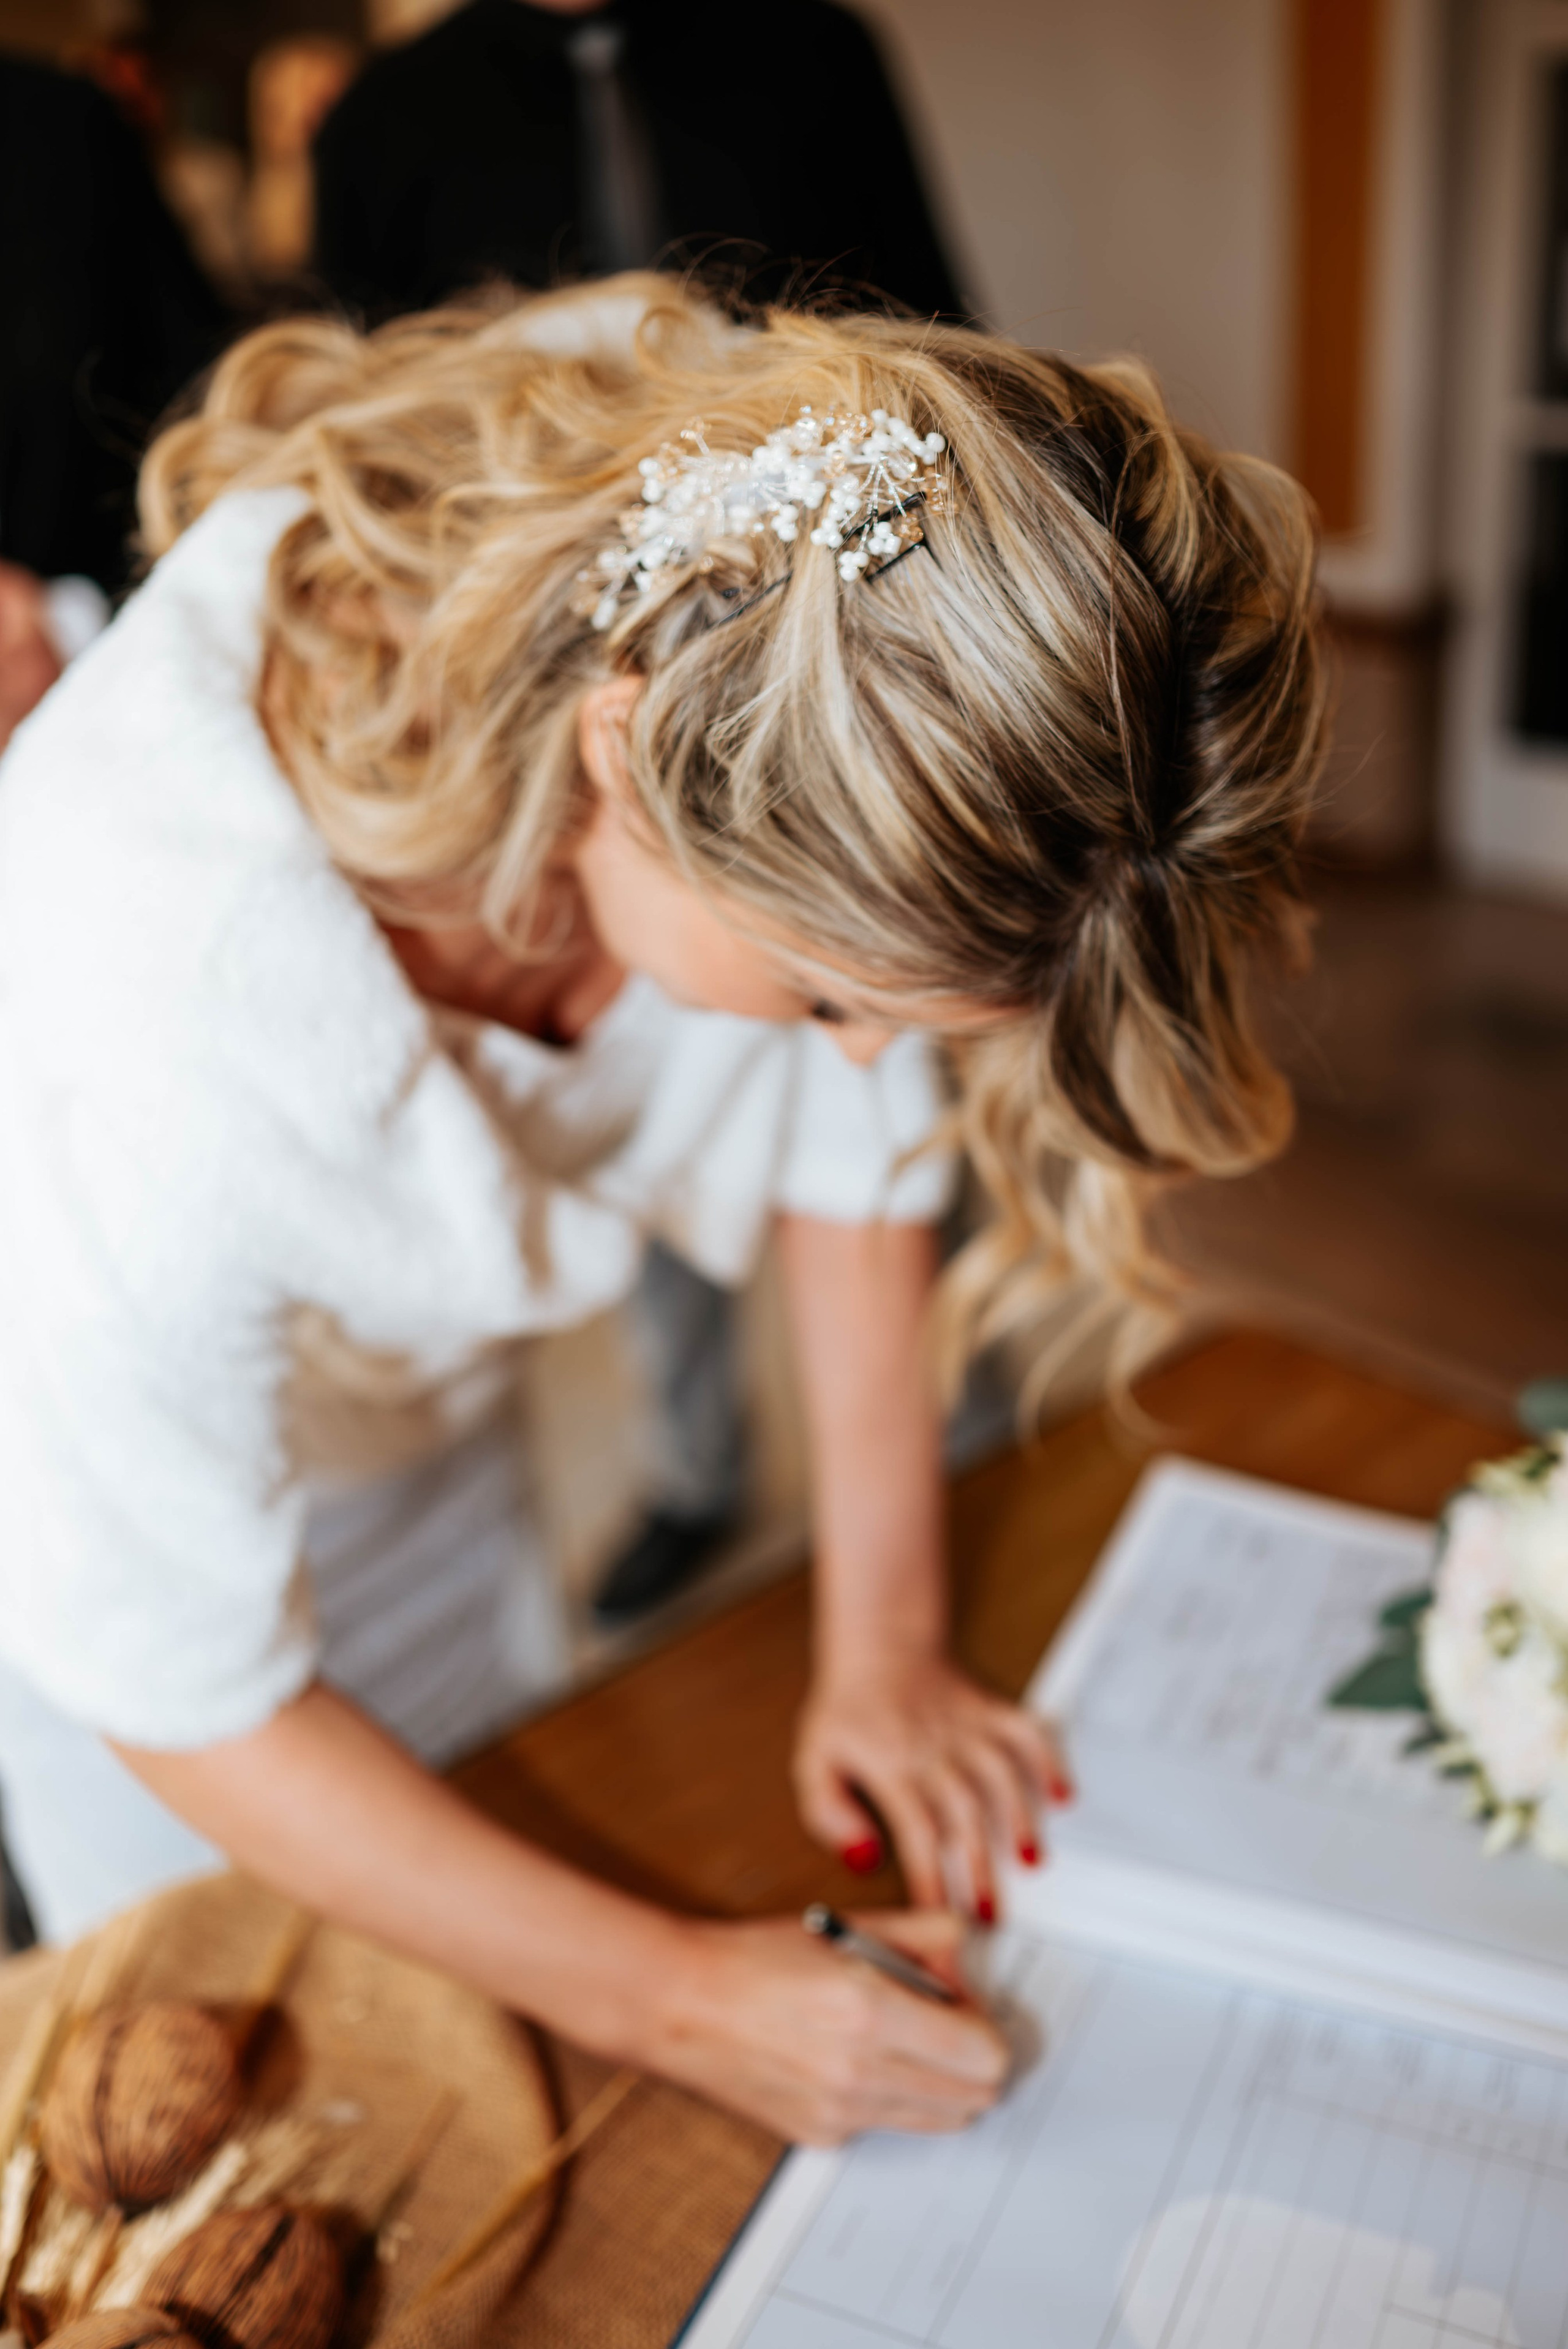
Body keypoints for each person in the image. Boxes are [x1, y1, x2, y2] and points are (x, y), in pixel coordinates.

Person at [0, 277, 1322, 2143]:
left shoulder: (781, 557)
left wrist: (882, 1638)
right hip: (110, 1567)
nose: (864, 1067)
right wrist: (688, 1998)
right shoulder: (127, 978)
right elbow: (179, 1675)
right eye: (830, 1002)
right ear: (623, 759)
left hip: (443, 1475)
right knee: (274, 2126)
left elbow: (846, 1151)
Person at [312, 0, 969, 1621]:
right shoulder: (390, 118)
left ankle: (966, 1451)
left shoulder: (811, 51)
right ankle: (695, 1466)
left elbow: (936, 361)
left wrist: (870, 652)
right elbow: (366, 419)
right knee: (651, 1060)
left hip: (826, 685)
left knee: (871, 1059)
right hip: (531, 698)